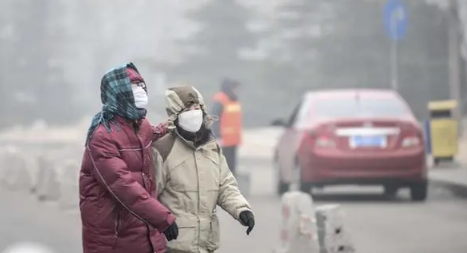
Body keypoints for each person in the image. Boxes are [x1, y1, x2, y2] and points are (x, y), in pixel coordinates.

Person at [80, 62, 178, 253]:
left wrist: (174, 124)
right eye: (134, 87)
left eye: (142, 85)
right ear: (118, 93)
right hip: (113, 237)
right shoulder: (102, 136)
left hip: (142, 227)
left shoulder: (140, 124)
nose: (141, 91)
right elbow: (125, 186)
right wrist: (162, 218)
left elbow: (152, 133)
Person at [152, 84, 255, 253]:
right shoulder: (163, 150)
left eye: (196, 107)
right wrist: (163, 220)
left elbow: (225, 184)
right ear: (175, 114)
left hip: (206, 245)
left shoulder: (211, 146)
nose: (193, 113)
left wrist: (241, 209)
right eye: (187, 110)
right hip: (174, 246)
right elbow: (150, 196)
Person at [211, 78, 242, 176]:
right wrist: (217, 137)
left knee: (232, 167)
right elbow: (214, 118)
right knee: (223, 167)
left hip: (233, 140)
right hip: (223, 140)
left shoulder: (234, 101)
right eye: (235, 88)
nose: (237, 90)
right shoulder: (220, 100)